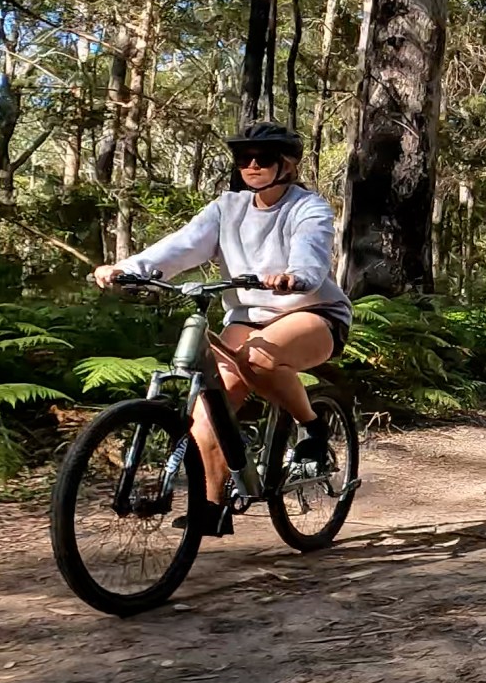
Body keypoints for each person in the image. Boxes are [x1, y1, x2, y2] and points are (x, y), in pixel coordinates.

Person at [93, 122, 352, 513]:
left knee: (259, 358)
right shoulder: (226, 209)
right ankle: (210, 510)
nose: (251, 165)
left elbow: (311, 250)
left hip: (312, 311)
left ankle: (313, 430)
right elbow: (181, 246)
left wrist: (294, 276)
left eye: (262, 159)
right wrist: (129, 268)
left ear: (287, 165)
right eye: (243, 158)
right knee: (206, 414)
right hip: (248, 318)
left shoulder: (307, 207)